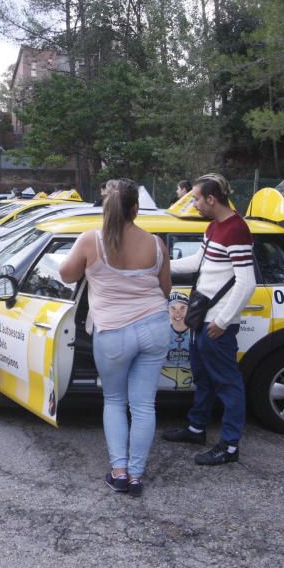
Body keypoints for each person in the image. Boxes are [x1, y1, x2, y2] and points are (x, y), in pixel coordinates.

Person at [60, 178, 170, 497]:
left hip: (113, 333)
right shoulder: (156, 243)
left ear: (106, 208)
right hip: (154, 327)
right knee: (144, 405)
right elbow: (165, 290)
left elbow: (66, 275)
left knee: (114, 400)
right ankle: (136, 476)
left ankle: (119, 472)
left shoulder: (89, 241)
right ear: (136, 208)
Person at [163, 174, 256, 466]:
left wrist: (224, 321)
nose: (194, 203)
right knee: (203, 377)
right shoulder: (215, 227)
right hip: (201, 316)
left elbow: (246, 282)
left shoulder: (236, 230)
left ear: (211, 199)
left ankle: (229, 446)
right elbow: (198, 263)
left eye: (196, 198)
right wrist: (161, 264)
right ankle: (196, 428)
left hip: (216, 322)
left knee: (228, 384)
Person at [161, 291, 193, 390]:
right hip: (164, 384)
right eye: (173, 308)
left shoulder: (195, 333)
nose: (178, 312)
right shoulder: (162, 334)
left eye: (183, 308)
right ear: (167, 311)